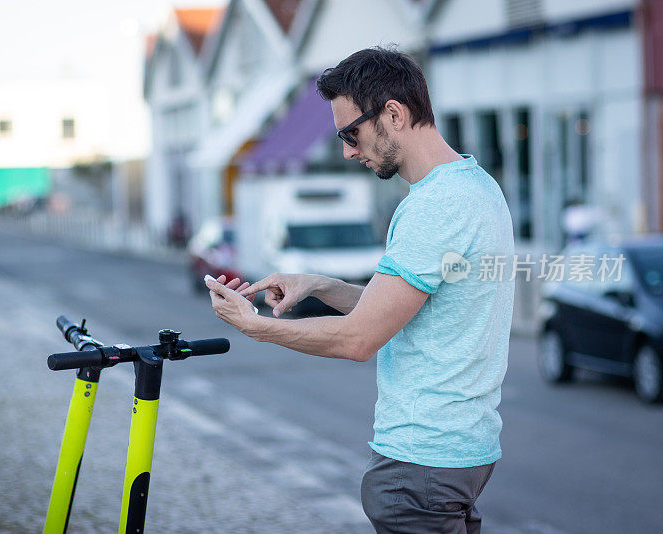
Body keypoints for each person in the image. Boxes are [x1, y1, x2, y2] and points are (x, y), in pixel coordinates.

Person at [204, 46, 515, 534]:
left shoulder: (434, 205)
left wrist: (256, 327)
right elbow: (406, 309)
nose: (348, 150)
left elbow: (359, 339)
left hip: (419, 466)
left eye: (352, 132)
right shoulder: (477, 187)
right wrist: (320, 286)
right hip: (460, 455)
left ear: (394, 114)